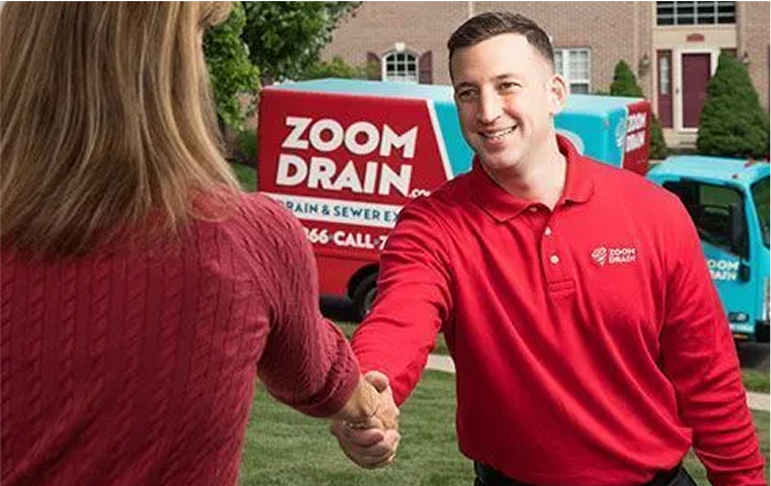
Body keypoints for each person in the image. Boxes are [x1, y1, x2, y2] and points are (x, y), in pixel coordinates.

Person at [331, 11, 765, 486]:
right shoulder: (433, 225)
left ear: (556, 93)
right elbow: (398, 321)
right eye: (468, 92)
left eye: (507, 85)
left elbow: (708, 377)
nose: (488, 111)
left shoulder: (655, 213)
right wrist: (370, 389)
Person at [0, 2, 397, 485]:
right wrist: (368, 409)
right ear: (175, 60)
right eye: (201, 33)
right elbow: (319, 375)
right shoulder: (247, 239)